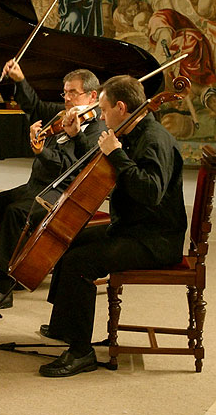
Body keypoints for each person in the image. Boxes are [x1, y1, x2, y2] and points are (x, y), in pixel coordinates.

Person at [38, 75, 187, 377]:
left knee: (82, 262)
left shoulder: (153, 139)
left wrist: (116, 153)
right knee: (71, 241)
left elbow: (150, 192)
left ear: (121, 106)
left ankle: (81, 353)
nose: (102, 116)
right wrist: (80, 137)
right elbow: (101, 168)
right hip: (133, 227)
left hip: (154, 239)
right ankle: (66, 327)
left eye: (104, 110)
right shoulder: (132, 130)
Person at [0, 60, 104, 312]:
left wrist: (42, 152)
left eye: (73, 92)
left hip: (61, 193)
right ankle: (7, 268)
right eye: (65, 92)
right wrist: (20, 80)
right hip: (37, 185)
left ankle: (4, 289)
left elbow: (69, 167)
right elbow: (36, 106)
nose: (67, 98)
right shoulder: (63, 115)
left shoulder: (96, 128)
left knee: (18, 213)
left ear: (92, 95)